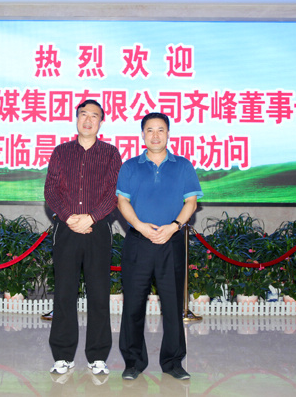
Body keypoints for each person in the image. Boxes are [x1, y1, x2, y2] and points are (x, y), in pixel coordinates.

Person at [115, 112, 203, 381]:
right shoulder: (130, 166)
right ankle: (133, 362)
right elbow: (122, 201)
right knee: (133, 304)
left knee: (173, 305)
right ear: (142, 134)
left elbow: (191, 202)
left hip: (171, 242)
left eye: (160, 130)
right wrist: (140, 226)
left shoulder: (183, 166)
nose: (155, 135)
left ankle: (173, 362)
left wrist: (174, 226)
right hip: (138, 242)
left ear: (168, 134)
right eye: (150, 130)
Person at [44, 99, 122, 377]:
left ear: (101, 122)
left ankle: (98, 356)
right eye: (83, 115)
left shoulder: (110, 153)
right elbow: (51, 190)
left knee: (99, 294)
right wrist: (69, 218)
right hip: (66, 229)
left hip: (97, 229)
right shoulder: (61, 151)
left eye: (94, 116)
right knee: (64, 294)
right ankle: (63, 356)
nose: (88, 120)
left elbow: (114, 191)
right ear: (76, 118)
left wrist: (91, 217)